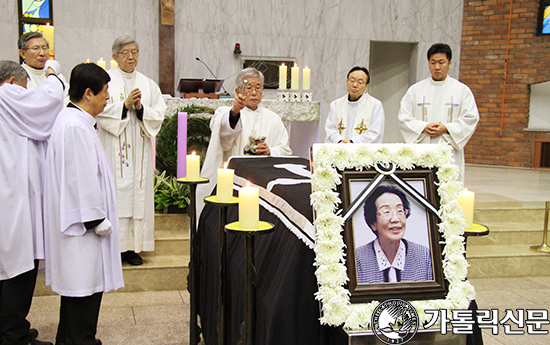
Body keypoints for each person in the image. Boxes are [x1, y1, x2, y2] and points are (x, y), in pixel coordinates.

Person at [44, 63, 124, 345]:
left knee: (79, 297)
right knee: (82, 297)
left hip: (81, 230)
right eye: (105, 92)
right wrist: (95, 219)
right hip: (82, 230)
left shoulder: (75, 121)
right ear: (88, 93)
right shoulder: (74, 126)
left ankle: (70, 339)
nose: (109, 98)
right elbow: (79, 178)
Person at [0, 60, 63, 345]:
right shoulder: (6, 94)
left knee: (14, 264)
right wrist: (52, 73)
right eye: (25, 87)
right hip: (13, 202)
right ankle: (14, 335)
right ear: (14, 82)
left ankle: (11, 327)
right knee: (18, 266)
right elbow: (48, 102)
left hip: (13, 197)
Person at [96, 36, 166, 266]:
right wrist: (124, 106)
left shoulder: (147, 84)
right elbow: (98, 110)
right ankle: (113, 247)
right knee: (116, 194)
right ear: (114, 56)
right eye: (125, 52)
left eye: (134, 52)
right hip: (113, 148)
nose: (131, 56)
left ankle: (133, 248)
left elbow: (159, 113)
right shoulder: (106, 80)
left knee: (138, 194)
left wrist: (141, 108)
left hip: (139, 152)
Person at [198, 67, 292, 213]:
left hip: (264, 183)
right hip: (234, 181)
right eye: (248, 88)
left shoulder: (273, 118)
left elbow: (285, 150)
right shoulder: (224, 113)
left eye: (258, 87)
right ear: (237, 92)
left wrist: (270, 151)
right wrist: (235, 112)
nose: (254, 93)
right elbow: (224, 137)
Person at [398, 43, 479, 182]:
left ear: (449, 63)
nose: (437, 67)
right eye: (433, 62)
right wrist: (423, 126)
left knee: (447, 188)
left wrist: (446, 128)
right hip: (422, 149)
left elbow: (471, 118)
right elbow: (404, 117)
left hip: (449, 149)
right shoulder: (415, 90)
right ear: (428, 64)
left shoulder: (461, 90)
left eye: (441, 62)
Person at [356, 185, 433, 284]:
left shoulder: (425, 256)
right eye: (386, 212)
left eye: (400, 211)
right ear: (373, 223)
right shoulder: (357, 259)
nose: (395, 219)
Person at [325, 66, 385, 143]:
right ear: (347, 82)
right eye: (352, 81)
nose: (355, 85)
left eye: (360, 82)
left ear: (366, 86)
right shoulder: (336, 104)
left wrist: (352, 142)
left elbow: (375, 132)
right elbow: (331, 128)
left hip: (362, 152)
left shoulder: (375, 105)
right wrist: (340, 141)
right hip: (339, 149)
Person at [18, 32, 70, 105]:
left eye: (44, 48)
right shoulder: (17, 76)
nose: (42, 53)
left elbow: (68, 99)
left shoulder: (57, 76)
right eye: (36, 48)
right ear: (22, 53)